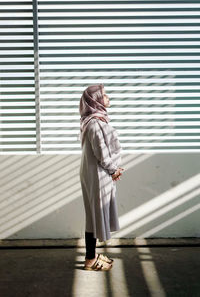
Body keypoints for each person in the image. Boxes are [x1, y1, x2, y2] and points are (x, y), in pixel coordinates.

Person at [79, 84, 124, 271]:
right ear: (94, 100)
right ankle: (90, 260)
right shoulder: (95, 124)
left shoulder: (92, 121)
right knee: (94, 216)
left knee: (93, 215)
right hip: (97, 174)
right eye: (104, 95)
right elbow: (102, 153)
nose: (107, 97)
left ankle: (92, 255)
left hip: (94, 173)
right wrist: (114, 170)